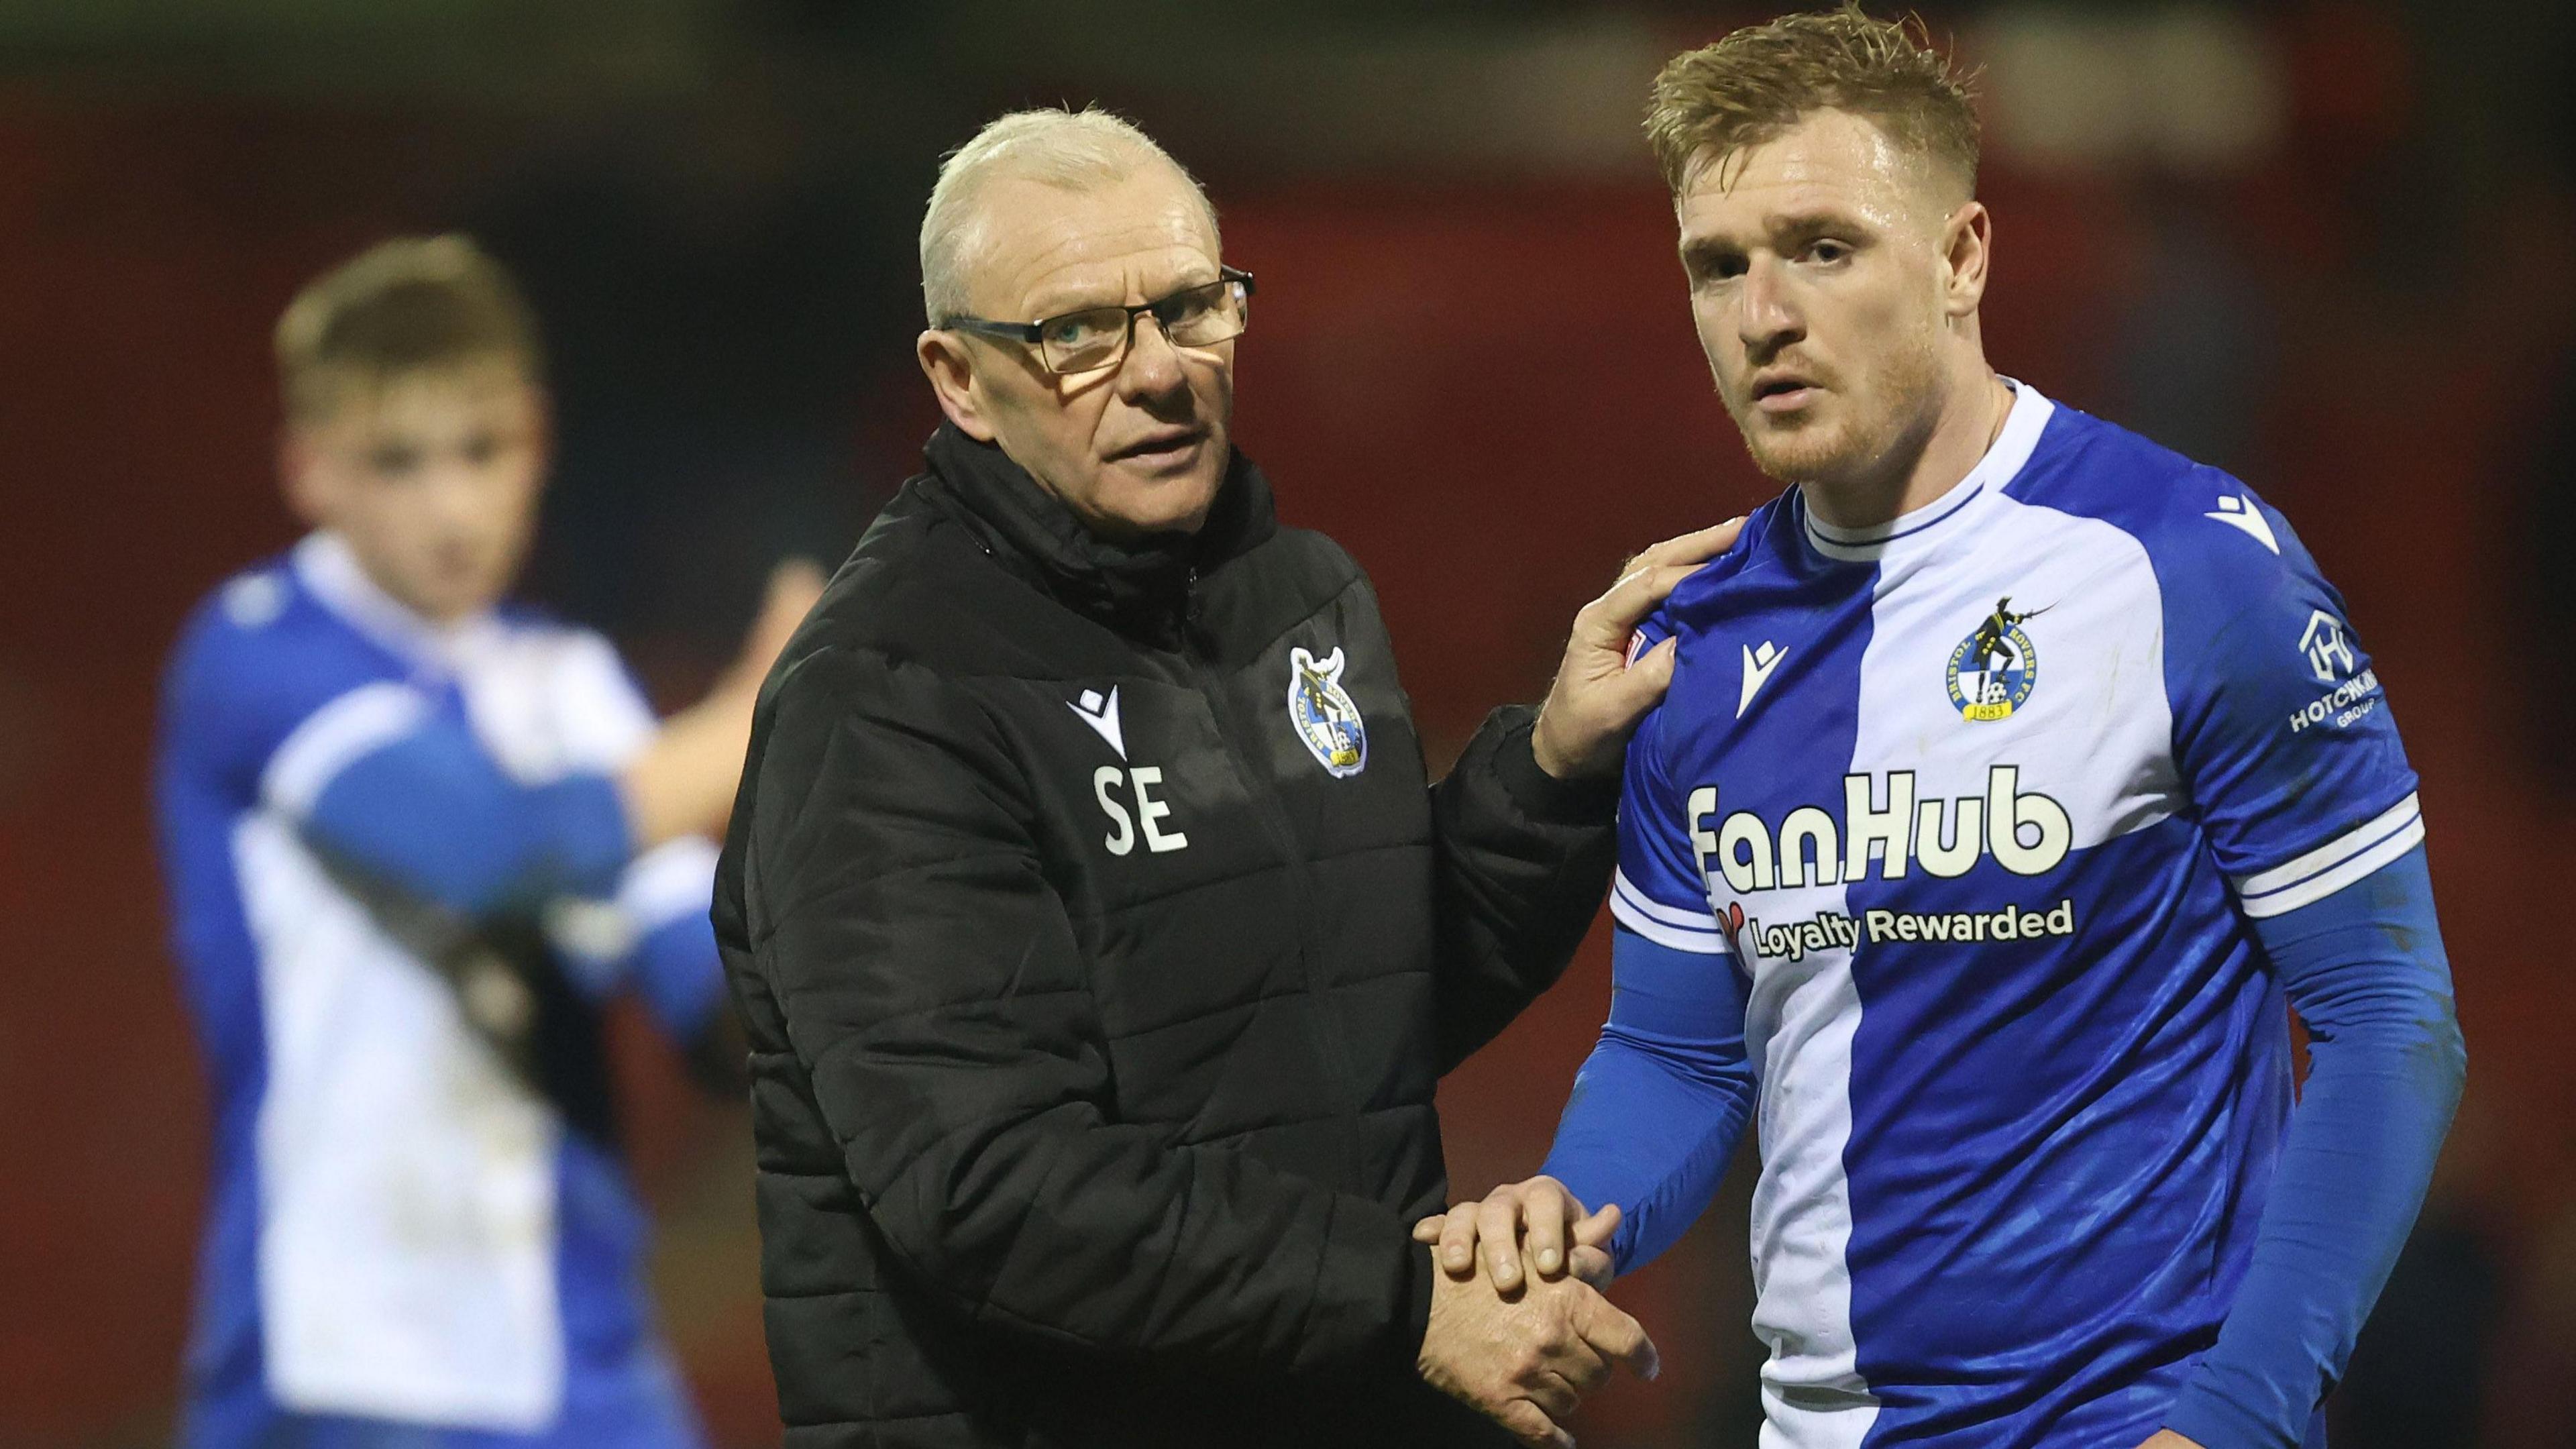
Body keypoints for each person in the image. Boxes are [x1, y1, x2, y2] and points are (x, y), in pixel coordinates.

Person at [1419, 9, 2467, 1448]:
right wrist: (1568, 1211)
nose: (1762, 315)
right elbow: (1681, 1057)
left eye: (1823, 247)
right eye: (1718, 267)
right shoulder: (1688, 640)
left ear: (1965, 256)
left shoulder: (2189, 565)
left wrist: (2239, 1415)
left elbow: (2385, 1018)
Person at [712, 108, 1723, 1449]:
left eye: (1193, 308)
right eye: (1076, 333)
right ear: (959, 379)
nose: (1159, 373)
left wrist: (1548, 767)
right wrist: (1403, 1298)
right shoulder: (891, 698)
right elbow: (992, 1186)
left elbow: (1345, 1020)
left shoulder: (1301, 601)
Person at [154, 235, 820, 1448]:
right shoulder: (256, 655)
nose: (451, 505)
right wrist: (759, 716)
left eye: (481, 450)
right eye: (396, 462)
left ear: (539, 442)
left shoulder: (571, 685)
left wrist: (848, 861)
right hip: (346, 1363)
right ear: (309, 470)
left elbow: (720, 1014)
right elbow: (497, 849)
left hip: (584, 1359)